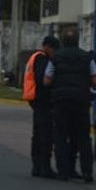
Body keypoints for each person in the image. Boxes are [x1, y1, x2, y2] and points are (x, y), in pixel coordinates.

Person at [44, 30, 96, 182]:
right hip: (81, 101)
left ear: (62, 41)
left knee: (61, 136)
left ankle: (63, 172)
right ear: (78, 40)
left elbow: (47, 80)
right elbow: (95, 80)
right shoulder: (87, 58)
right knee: (83, 138)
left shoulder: (55, 58)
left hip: (61, 101)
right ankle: (87, 172)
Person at [22, 36, 60, 178]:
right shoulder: (42, 59)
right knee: (45, 135)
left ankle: (37, 166)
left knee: (38, 134)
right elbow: (42, 79)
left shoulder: (35, 57)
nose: (54, 54)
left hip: (36, 100)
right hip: (42, 101)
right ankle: (44, 167)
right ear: (48, 47)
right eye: (54, 50)